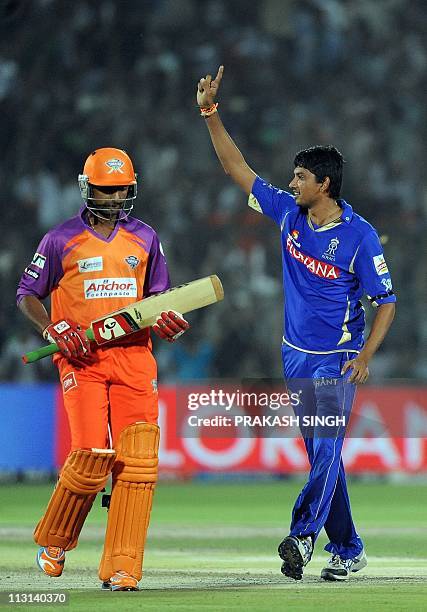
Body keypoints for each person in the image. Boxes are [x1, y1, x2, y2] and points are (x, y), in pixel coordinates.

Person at [196, 66, 396, 581]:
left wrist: (366, 356)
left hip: (336, 359)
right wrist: (210, 114)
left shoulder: (361, 236)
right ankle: (349, 548)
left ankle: (303, 538)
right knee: (322, 457)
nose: (291, 183)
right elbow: (236, 168)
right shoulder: (288, 214)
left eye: (300, 177)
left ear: (323, 184)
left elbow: (387, 302)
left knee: (327, 447)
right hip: (294, 354)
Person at [17, 147, 190, 591]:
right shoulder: (60, 239)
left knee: (137, 466)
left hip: (134, 357)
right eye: (105, 190)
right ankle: (55, 541)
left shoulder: (146, 237)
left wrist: (167, 320)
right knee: (92, 454)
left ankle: (123, 567)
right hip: (82, 359)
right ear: (86, 188)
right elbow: (27, 294)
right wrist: (52, 327)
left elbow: (158, 301)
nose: (113, 199)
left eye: (120, 191)